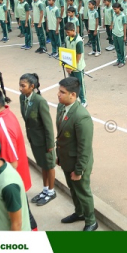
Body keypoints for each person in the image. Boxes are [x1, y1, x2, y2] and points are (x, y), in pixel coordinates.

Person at [56, 77, 97, 231]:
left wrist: (79, 170)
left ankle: (91, 221)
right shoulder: (62, 108)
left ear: (73, 95)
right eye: (59, 91)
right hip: (67, 160)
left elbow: (84, 148)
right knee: (73, 189)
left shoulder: (82, 117)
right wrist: (59, 156)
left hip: (78, 163)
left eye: (62, 92)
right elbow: (61, 135)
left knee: (83, 192)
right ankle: (79, 213)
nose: (58, 94)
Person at [19, 73, 56, 206]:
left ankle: (51, 191)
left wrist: (50, 144)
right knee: (42, 164)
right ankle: (45, 189)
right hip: (34, 139)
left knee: (49, 166)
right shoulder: (22, 98)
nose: (20, 88)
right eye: (20, 85)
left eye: (23, 86)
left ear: (32, 86)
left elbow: (48, 125)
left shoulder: (40, 102)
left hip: (44, 141)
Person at [63, 22, 88, 107]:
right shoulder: (67, 39)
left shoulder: (79, 41)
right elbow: (66, 53)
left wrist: (73, 67)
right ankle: (74, 99)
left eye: (68, 32)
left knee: (79, 84)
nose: (67, 34)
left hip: (78, 67)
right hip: (70, 66)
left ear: (73, 30)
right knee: (72, 84)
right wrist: (67, 66)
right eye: (66, 32)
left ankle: (84, 100)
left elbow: (79, 55)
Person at [111, 2, 127, 67]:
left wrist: (125, 35)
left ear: (119, 8)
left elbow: (125, 25)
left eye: (115, 9)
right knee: (117, 48)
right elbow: (113, 22)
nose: (114, 10)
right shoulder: (114, 14)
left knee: (121, 48)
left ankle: (123, 61)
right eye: (113, 9)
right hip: (115, 33)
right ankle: (118, 60)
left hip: (120, 34)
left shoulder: (123, 16)